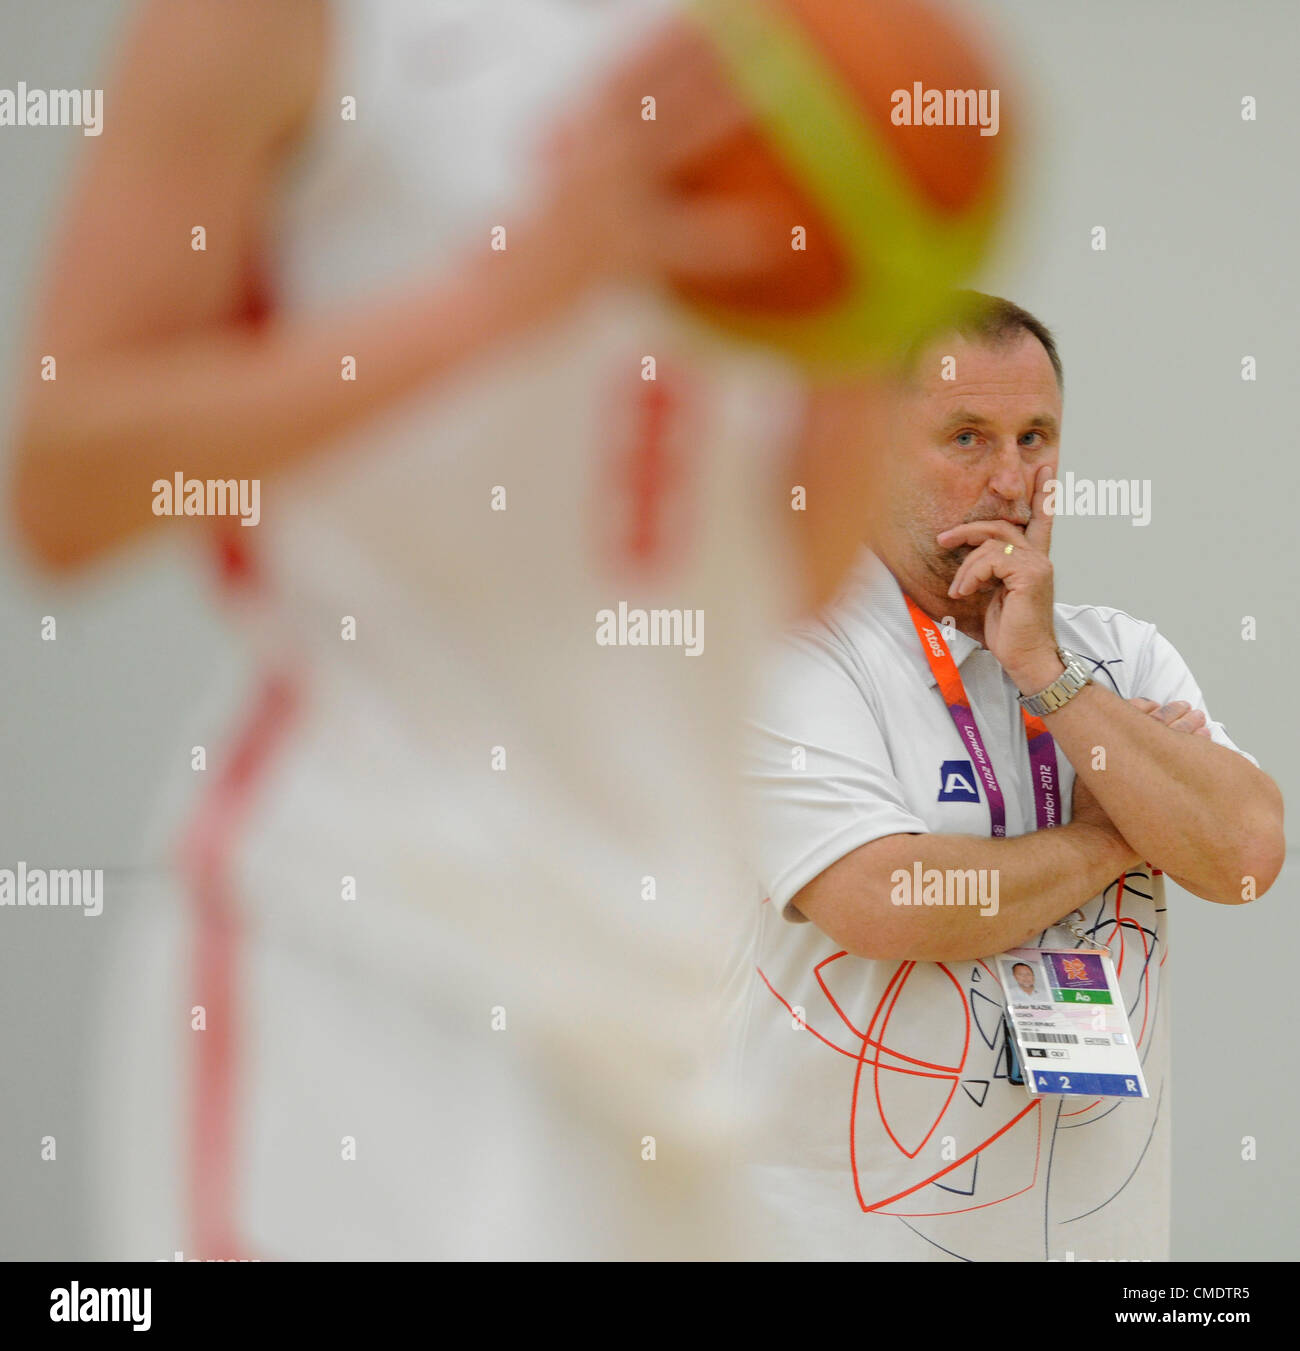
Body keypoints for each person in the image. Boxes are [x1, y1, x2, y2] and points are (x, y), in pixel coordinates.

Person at [6, 0, 899, 1259]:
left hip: (670, 1023)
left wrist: (865, 324)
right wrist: (506, 293)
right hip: (361, 949)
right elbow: (64, 486)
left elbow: (785, 578)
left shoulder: (782, 38)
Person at [733, 292, 1285, 1262]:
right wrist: (1116, 832)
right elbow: (887, 897)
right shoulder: (793, 653)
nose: (1011, 479)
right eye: (964, 437)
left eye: (1036, 436)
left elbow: (1243, 855)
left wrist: (1046, 673)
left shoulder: (1118, 658)